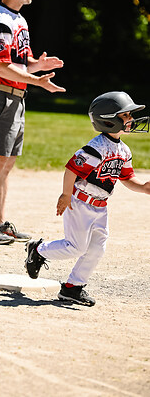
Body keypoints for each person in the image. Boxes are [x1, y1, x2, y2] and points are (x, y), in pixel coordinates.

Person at [25, 91, 150, 306]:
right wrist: (66, 195)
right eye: (125, 115)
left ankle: (73, 287)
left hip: (101, 208)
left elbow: (127, 178)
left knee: (97, 249)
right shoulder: (96, 147)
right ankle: (37, 250)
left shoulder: (123, 149)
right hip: (80, 203)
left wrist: (145, 187)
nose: (130, 120)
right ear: (108, 120)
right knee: (76, 247)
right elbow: (71, 169)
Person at [0, 0, 66, 245]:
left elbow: (17, 62)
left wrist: (37, 66)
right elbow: (0, 67)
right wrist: (36, 81)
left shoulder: (19, 20)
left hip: (14, 99)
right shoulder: (0, 20)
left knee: (6, 164)